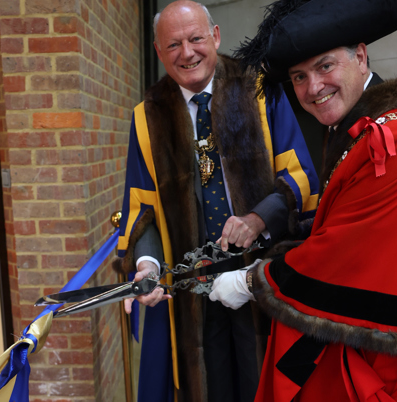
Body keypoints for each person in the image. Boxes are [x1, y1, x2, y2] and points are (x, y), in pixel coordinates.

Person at [209, 0, 397, 400]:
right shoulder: (364, 131)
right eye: (299, 76)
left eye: (325, 66)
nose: (313, 88)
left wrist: (252, 281)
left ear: (361, 57)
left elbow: (353, 252)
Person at [113, 1, 320, 401]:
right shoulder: (147, 117)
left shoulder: (259, 89)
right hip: (194, 289)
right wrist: (146, 265)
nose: (186, 53)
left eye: (195, 39)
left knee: (262, 382)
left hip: (258, 275)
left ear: (216, 36)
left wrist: (259, 218)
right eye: (173, 45)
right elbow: (142, 211)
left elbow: (299, 178)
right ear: (158, 52)